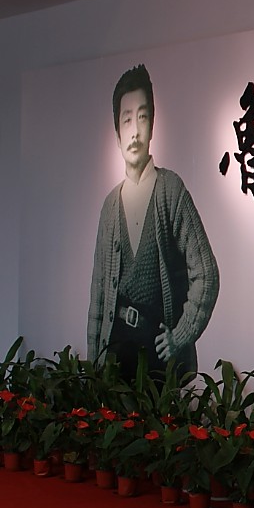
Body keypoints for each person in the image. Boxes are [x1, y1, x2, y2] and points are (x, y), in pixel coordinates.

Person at [87, 64, 219, 379]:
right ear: (117, 134)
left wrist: (181, 335)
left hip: (159, 357)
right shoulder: (110, 206)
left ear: (153, 126)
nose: (134, 131)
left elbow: (206, 274)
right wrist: (93, 370)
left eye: (142, 117)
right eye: (126, 119)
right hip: (115, 356)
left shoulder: (170, 190)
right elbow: (98, 299)